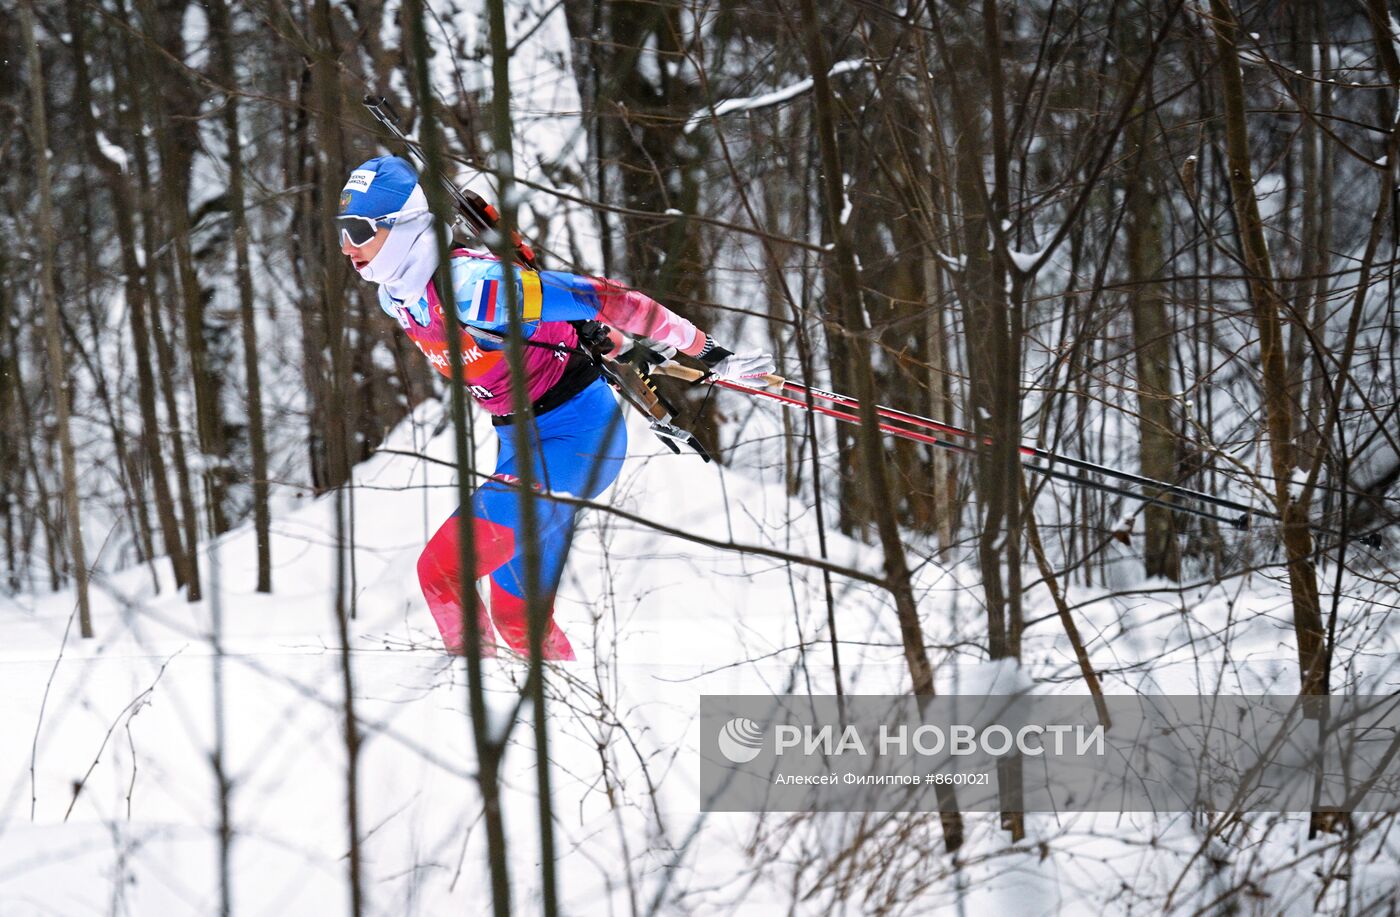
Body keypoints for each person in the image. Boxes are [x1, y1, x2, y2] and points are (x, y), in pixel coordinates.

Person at [338, 156, 772, 660]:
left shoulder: (473, 288)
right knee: (517, 619)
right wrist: (586, 333)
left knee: (441, 573)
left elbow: (610, 299)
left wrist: (705, 352)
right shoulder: (400, 296)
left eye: (360, 229)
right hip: (518, 449)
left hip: (576, 445)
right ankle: (581, 713)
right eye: (341, 232)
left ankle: (467, 708)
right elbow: (543, 329)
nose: (348, 247)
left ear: (409, 226)